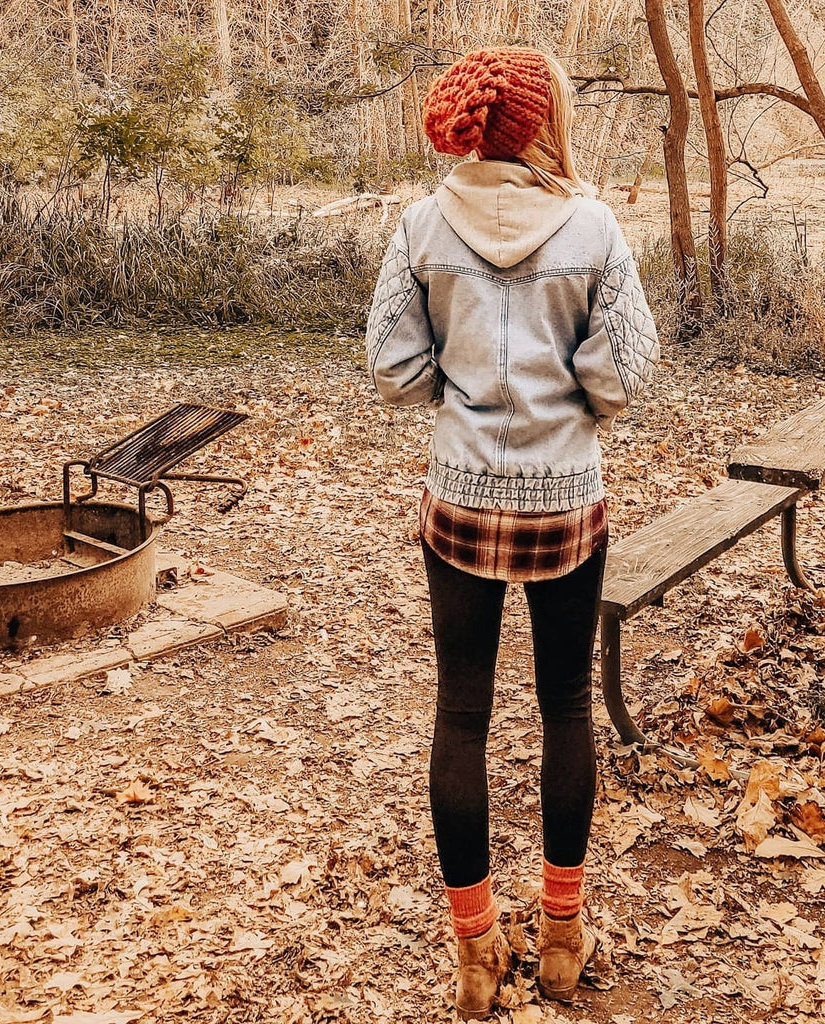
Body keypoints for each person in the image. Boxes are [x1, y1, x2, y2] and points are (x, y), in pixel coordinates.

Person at [365, 47, 658, 1020]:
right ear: (538, 126)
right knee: (565, 707)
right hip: (566, 500)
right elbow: (625, 371)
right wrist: (564, 391)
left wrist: (468, 392)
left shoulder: (418, 224)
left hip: (459, 500)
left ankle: (475, 949)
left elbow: (396, 367)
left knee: (459, 716)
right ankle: (564, 938)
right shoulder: (592, 226)